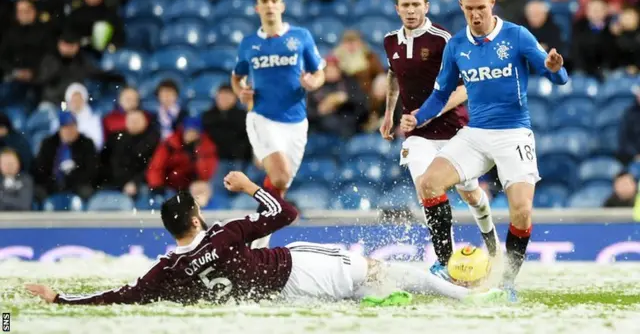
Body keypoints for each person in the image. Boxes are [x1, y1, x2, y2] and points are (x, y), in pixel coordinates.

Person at [25, 170, 506, 306]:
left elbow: (122, 296)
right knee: (389, 270)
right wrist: (252, 187)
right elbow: (286, 211)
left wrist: (62, 298)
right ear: (193, 216)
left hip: (279, 299)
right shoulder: (225, 234)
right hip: (297, 266)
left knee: (367, 296)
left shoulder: (165, 272)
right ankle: (473, 298)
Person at [400, 0, 568, 301]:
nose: (476, 15)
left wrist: (556, 69)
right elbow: (439, 96)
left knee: (521, 211)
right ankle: (445, 264)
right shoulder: (456, 46)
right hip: (476, 134)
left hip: (514, 133)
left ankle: (506, 281)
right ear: (461, 7)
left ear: (492, 3)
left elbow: (556, 75)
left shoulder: (516, 36)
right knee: (429, 183)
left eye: (481, 7)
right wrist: (417, 118)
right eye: (470, 9)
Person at [380, 0, 498, 280]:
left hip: (453, 132)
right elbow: (395, 76)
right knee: (426, 189)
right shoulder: (390, 41)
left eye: (416, 4)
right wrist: (388, 115)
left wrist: (429, 113)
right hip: (417, 135)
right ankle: (446, 263)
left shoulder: (443, 40)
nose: (410, 10)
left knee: (470, 193)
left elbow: (466, 88)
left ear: (426, 6)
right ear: (397, 8)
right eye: (405, 5)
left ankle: (492, 241)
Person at [231, 0, 326, 247]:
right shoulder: (249, 43)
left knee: (278, 189)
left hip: (296, 122)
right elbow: (236, 77)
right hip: (262, 117)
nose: (270, 4)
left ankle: (255, 247)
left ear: (282, 6)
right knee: (280, 176)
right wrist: (241, 92)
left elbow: (319, 73)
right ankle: (251, 228)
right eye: (265, 0)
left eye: (275, 0)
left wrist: (312, 83)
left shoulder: (301, 37)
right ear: (257, 8)